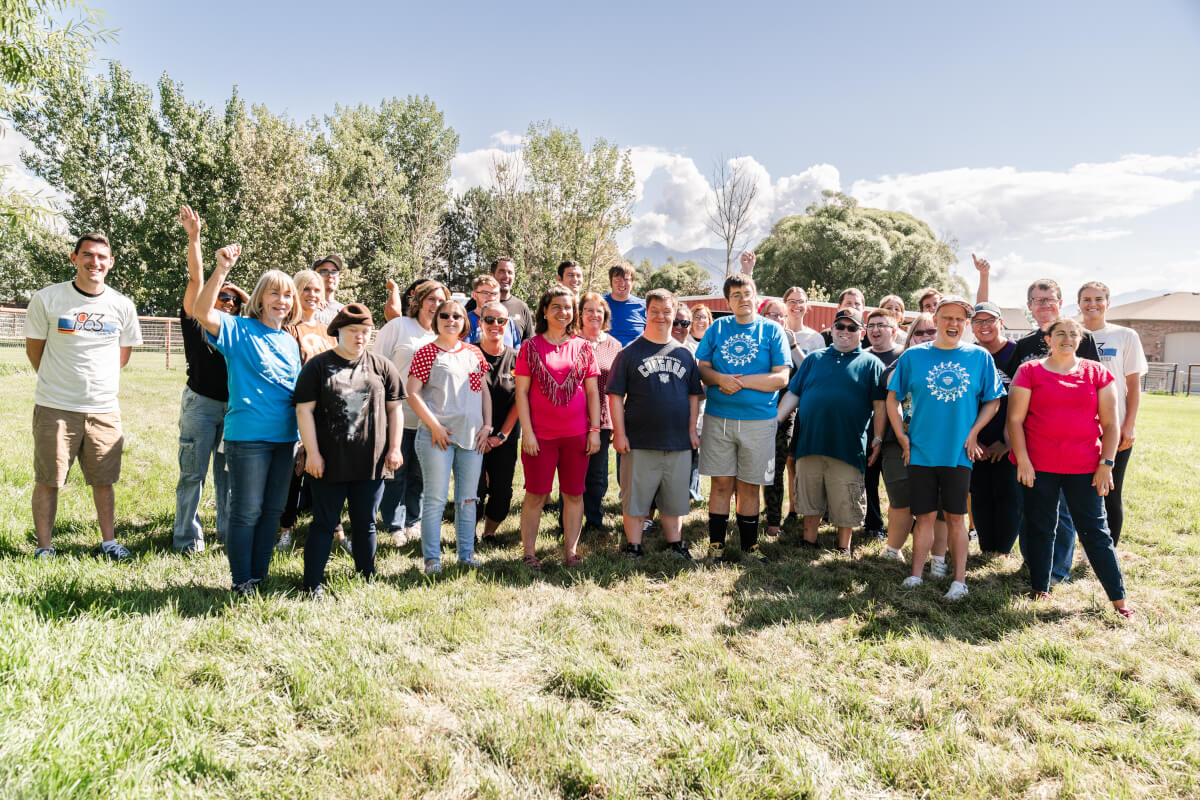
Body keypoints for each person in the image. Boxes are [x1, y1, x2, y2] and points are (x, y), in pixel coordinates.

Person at [25, 233, 143, 560]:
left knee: (104, 481)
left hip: (104, 409)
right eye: (88, 255)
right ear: (74, 258)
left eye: (102, 257)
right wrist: (60, 381)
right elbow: (35, 351)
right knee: (49, 479)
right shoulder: (48, 299)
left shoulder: (121, 305)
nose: (95, 262)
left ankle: (109, 543)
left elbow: (123, 355)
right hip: (55, 407)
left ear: (111, 262)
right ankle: (44, 547)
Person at [193, 245, 301, 596]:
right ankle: (240, 580)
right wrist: (221, 269)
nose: (281, 300)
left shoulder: (288, 341)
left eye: (287, 294)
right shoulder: (238, 330)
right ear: (260, 297)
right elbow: (199, 310)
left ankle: (258, 576)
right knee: (246, 511)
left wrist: (301, 440)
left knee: (272, 511)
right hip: (248, 437)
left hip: (285, 439)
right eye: (274, 293)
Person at [1007, 317, 1132, 617]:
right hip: (1039, 467)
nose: (1067, 338)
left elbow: (1112, 425)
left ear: (1080, 340)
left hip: (1086, 467)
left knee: (1096, 532)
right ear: (1047, 340)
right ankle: (1041, 587)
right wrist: (1023, 460)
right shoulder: (1030, 371)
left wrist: (1107, 464)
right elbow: (1015, 420)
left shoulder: (1096, 373)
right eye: (1060, 333)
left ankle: (1120, 602)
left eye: (1073, 334)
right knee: (1040, 526)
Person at [886, 296, 1004, 601]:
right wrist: (901, 436)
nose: (953, 324)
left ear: (966, 324)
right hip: (921, 450)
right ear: (935, 320)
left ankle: (959, 580)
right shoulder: (913, 357)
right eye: (947, 318)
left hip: (958, 452)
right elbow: (892, 398)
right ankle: (915, 575)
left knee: (955, 517)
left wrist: (974, 432)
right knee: (923, 515)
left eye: (959, 319)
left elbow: (993, 400)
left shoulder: (979, 358)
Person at [294, 304, 404, 597]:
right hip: (328, 462)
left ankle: (366, 577)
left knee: (365, 522)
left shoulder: (382, 366)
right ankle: (312, 584)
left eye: (365, 332)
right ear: (338, 331)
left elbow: (395, 410)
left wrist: (394, 448)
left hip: (371, 462)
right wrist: (313, 455)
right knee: (324, 523)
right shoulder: (317, 367)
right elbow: (304, 411)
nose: (360, 337)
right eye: (354, 331)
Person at [1000, 277, 1101, 585]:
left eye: (1050, 299)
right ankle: (1033, 563)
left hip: (1071, 441)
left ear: (1059, 303)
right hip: (1033, 440)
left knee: (1065, 512)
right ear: (1030, 307)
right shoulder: (1026, 346)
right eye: (1038, 300)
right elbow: (1013, 393)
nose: (1044, 305)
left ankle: (1058, 570)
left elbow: (1097, 387)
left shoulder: (1079, 338)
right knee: (1031, 507)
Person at [695, 255, 790, 563]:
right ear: (729, 301)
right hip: (719, 418)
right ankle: (716, 546)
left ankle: (749, 547)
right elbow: (702, 369)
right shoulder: (717, 329)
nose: (742, 299)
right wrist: (719, 378)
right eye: (736, 295)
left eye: (747, 293)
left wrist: (743, 381)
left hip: (758, 421)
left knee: (750, 485)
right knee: (721, 483)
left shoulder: (771, 331)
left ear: (755, 297)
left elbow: (781, 377)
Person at [777, 308, 884, 554]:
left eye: (852, 328)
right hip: (810, 442)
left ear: (862, 333)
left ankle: (843, 547)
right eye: (840, 327)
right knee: (809, 494)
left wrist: (877, 437)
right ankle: (809, 540)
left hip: (847, 446)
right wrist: (777, 420)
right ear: (832, 330)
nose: (845, 332)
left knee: (846, 497)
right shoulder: (814, 359)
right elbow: (794, 392)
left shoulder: (871, 363)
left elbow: (879, 407)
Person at [609, 289, 703, 560]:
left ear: (673, 315)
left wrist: (691, 431)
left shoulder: (684, 354)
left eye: (667, 312)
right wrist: (619, 433)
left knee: (674, 500)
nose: (661, 316)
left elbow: (693, 395)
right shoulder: (629, 353)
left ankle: (676, 545)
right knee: (636, 499)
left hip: (677, 442)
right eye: (655, 311)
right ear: (646, 312)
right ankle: (634, 546)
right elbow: (615, 397)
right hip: (639, 440)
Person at [173, 206, 246, 554]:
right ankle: (187, 539)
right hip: (200, 405)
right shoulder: (195, 320)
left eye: (235, 300)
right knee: (192, 474)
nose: (229, 303)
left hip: (232, 410)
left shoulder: (237, 332)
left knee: (229, 477)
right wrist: (195, 238)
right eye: (224, 297)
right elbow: (196, 278)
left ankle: (229, 537)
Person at [514, 286, 601, 568]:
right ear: (544, 311)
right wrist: (527, 432)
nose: (563, 312)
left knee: (574, 494)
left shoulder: (584, 347)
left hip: (577, 435)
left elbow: (592, 393)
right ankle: (529, 553)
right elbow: (522, 395)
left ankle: (571, 552)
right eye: (557, 307)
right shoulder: (530, 347)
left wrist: (595, 430)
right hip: (540, 437)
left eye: (568, 307)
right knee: (536, 494)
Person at [407, 299, 492, 574]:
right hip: (437, 437)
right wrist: (434, 426)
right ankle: (432, 559)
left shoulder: (474, 354)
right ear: (437, 320)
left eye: (456, 316)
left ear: (464, 322)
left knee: (468, 500)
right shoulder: (426, 352)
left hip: (472, 438)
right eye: (444, 315)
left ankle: (466, 555)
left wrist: (487, 426)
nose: (451, 320)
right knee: (435, 499)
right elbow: (412, 392)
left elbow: (483, 392)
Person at [373, 280, 448, 545]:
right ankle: (394, 525)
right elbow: (376, 366)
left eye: (441, 302)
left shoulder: (442, 335)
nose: (436, 306)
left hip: (428, 420)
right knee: (396, 472)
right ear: (418, 301)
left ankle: (413, 521)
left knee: (420, 474)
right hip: (396, 416)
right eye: (431, 300)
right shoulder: (398, 327)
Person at [1078, 281, 1147, 546]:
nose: (1092, 304)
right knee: (1081, 493)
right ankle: (1083, 545)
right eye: (1086, 299)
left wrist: (1129, 425)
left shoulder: (1125, 336)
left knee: (1109, 489)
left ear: (1108, 303)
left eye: (1098, 298)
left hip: (1114, 427)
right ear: (1079, 303)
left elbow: (1132, 385)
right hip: (1081, 428)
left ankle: (1108, 549)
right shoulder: (1073, 334)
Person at [276, 269, 340, 553]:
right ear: (296, 293)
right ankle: (286, 529)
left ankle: (333, 529)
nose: (313, 295)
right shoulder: (289, 330)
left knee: (328, 474)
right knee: (294, 474)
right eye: (306, 290)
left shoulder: (328, 332)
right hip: (298, 411)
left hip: (327, 413)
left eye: (317, 290)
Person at [874, 314, 940, 562]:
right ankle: (893, 550)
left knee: (937, 502)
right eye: (919, 333)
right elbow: (889, 381)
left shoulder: (950, 362)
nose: (925, 337)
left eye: (930, 332)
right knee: (900, 498)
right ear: (910, 337)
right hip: (899, 442)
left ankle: (936, 556)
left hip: (937, 443)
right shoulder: (904, 360)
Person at [966, 301, 1021, 556]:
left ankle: (1005, 549)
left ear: (1001, 323)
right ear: (972, 327)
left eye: (990, 320)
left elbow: (1022, 400)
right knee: (979, 492)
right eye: (978, 321)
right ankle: (987, 547)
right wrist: (973, 439)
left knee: (1008, 492)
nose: (984, 326)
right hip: (976, 440)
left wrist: (1008, 441)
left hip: (1010, 437)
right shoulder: (969, 355)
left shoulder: (1016, 353)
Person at [475, 300, 521, 542]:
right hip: (472, 436)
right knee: (475, 490)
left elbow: (520, 400)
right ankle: (467, 533)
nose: (495, 325)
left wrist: (502, 435)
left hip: (505, 435)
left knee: (502, 492)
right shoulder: (469, 353)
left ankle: (489, 532)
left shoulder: (517, 358)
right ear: (480, 323)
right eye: (489, 320)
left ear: (507, 324)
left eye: (500, 320)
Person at [760, 298, 804, 537]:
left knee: (775, 466)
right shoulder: (756, 342)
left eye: (781, 316)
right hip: (755, 413)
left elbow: (808, 372)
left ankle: (773, 522)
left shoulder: (789, 344)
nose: (777, 319)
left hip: (784, 415)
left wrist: (794, 344)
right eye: (772, 314)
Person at [579, 292, 621, 532]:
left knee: (597, 474)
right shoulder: (571, 341)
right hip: (574, 417)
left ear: (605, 314)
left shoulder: (614, 345)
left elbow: (617, 387)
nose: (594, 314)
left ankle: (594, 519)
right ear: (581, 314)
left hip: (604, 418)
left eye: (599, 310)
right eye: (589, 310)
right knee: (573, 471)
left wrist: (617, 421)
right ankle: (568, 518)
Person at [861, 308, 903, 540]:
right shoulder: (862, 356)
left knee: (896, 483)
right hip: (868, 430)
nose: (875, 330)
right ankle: (873, 524)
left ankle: (904, 525)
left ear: (894, 331)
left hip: (896, 434)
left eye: (882, 325)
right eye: (871, 325)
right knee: (869, 479)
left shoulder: (904, 356)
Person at [466, 274, 521, 347]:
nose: (491, 298)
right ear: (475, 295)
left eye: (494, 294)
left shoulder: (508, 321)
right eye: (485, 293)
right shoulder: (465, 321)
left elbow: (516, 352)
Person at [604, 262, 646, 347]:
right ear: (611, 281)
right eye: (617, 279)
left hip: (634, 358)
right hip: (605, 358)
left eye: (626, 279)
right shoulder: (599, 304)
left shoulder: (644, 306)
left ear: (632, 282)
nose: (622, 283)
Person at [312, 255, 346, 325]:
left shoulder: (345, 311)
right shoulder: (306, 306)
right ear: (314, 276)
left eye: (334, 272)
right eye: (324, 271)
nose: (330, 275)